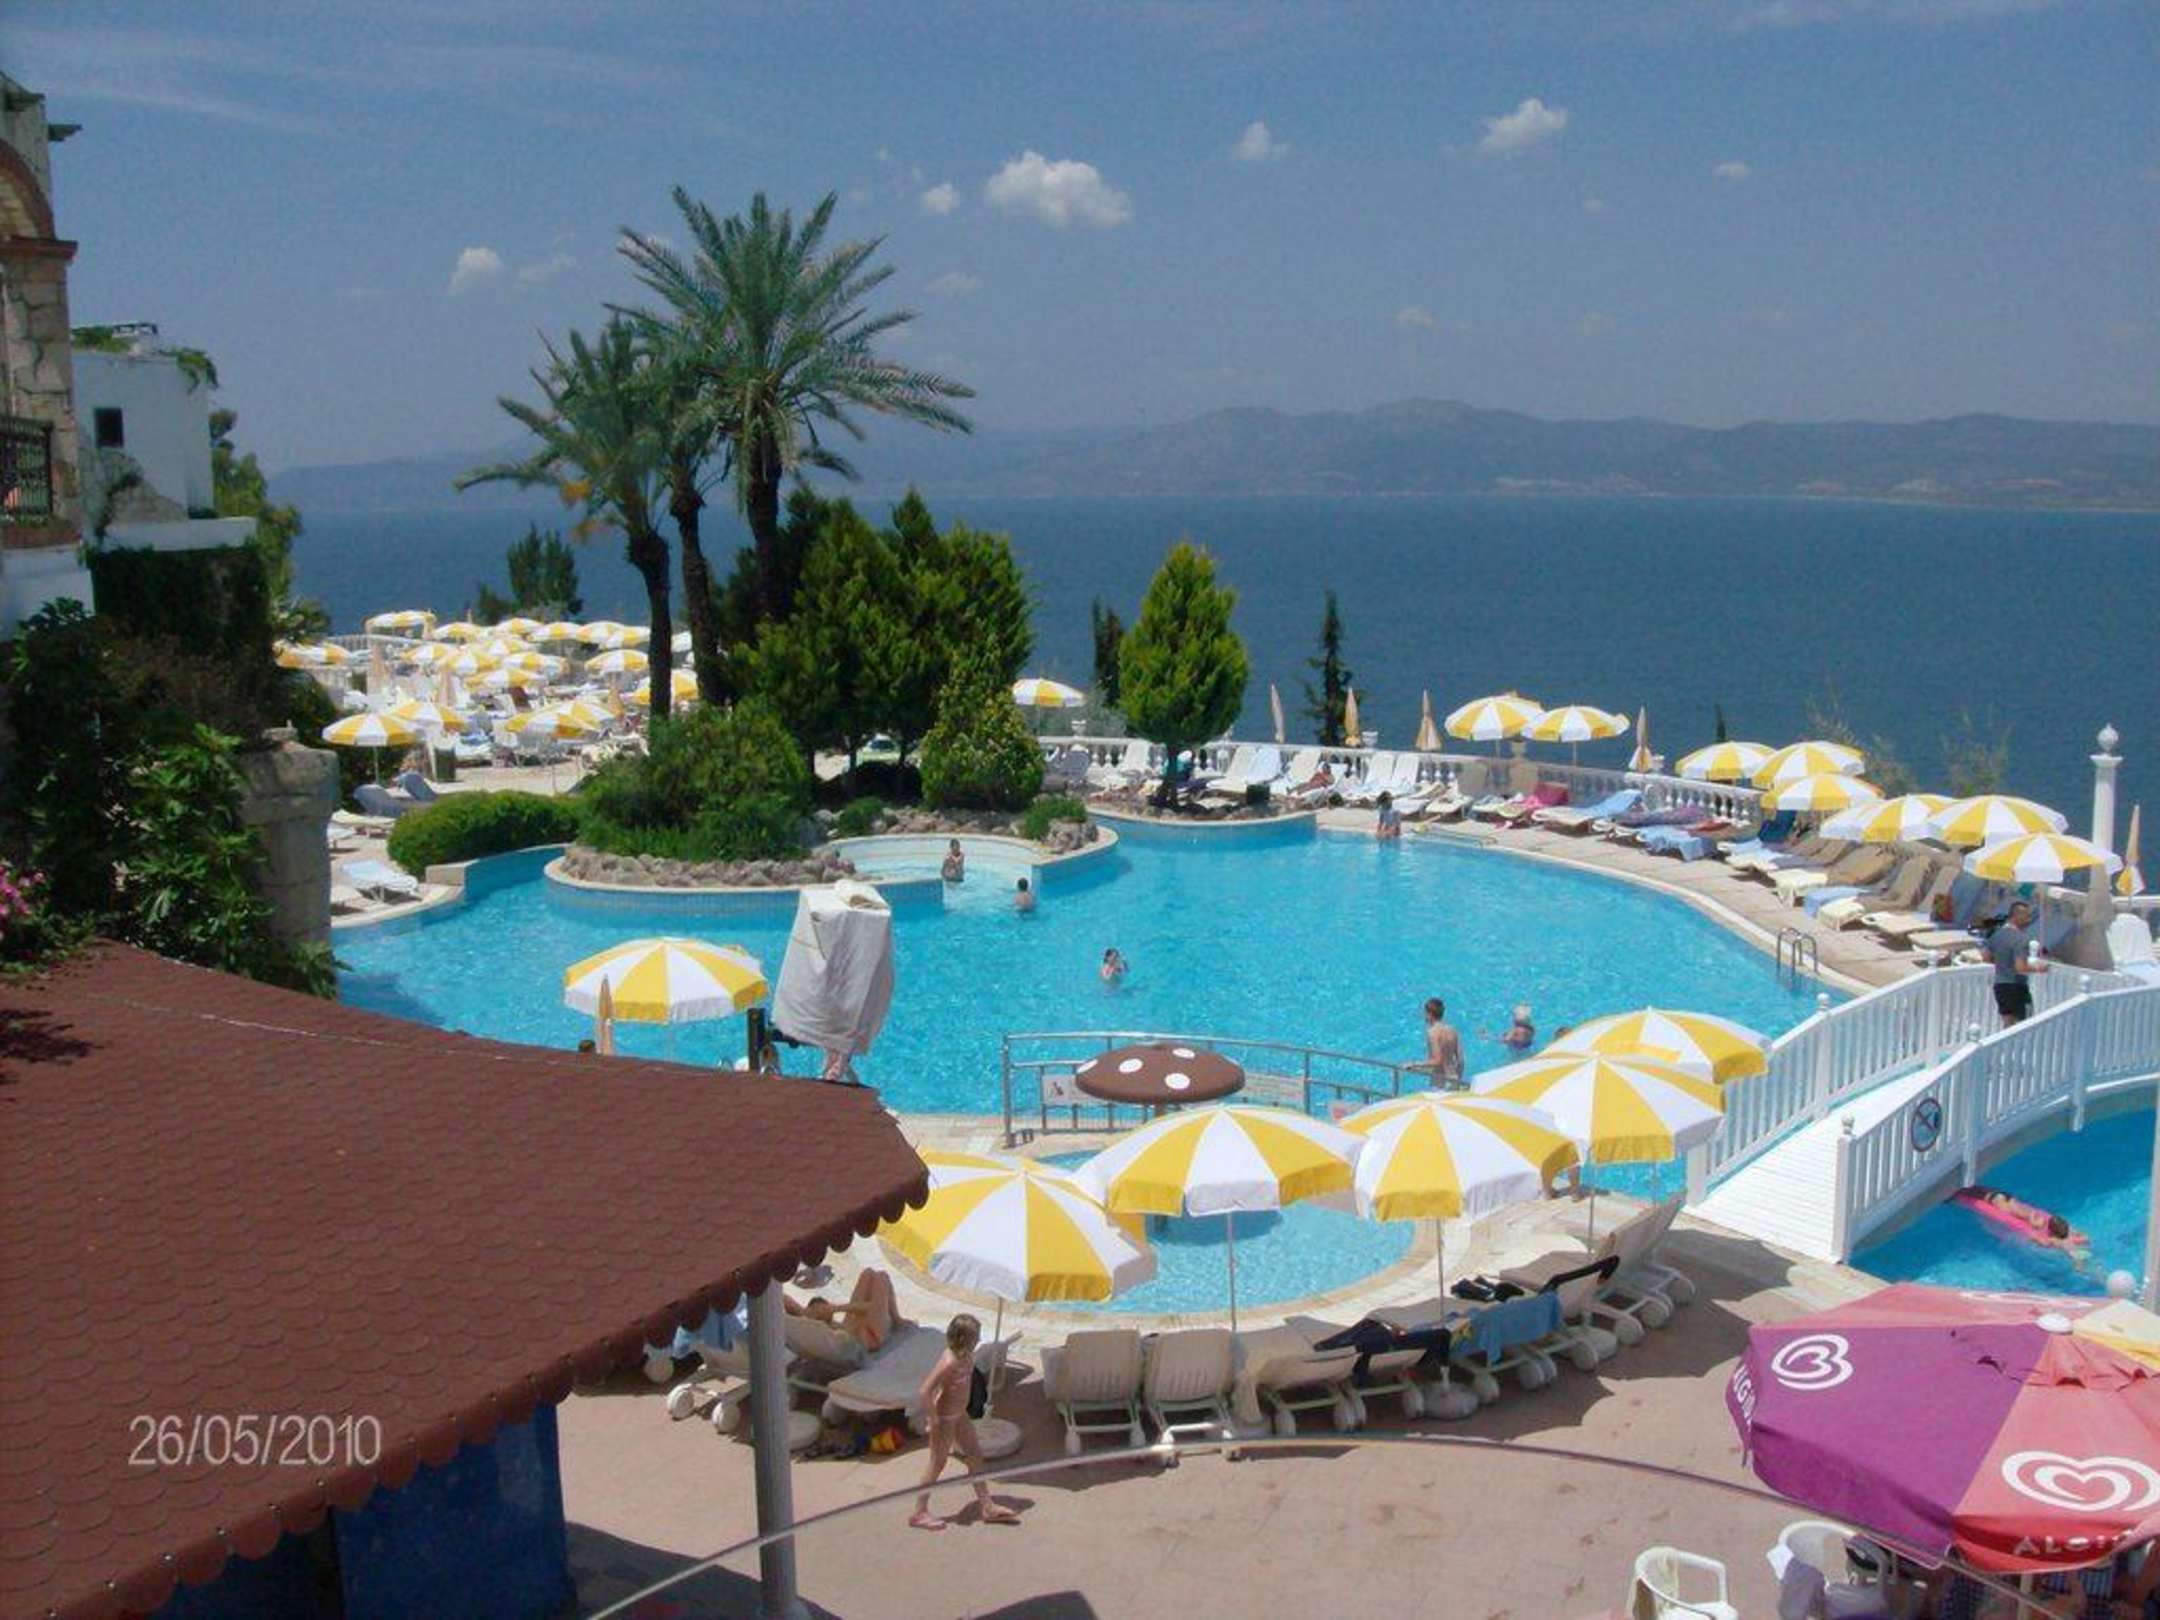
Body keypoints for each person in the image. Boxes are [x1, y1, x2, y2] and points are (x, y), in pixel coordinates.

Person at [910, 1314, 1019, 1531]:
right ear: (964, 1339)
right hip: (945, 1419)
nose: (978, 1340)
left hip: (960, 1415)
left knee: (975, 1455)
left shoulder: (967, 1356)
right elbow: (924, 1391)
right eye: (975, 1337)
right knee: (937, 1463)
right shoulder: (949, 1361)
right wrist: (933, 1419)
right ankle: (919, 1512)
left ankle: (987, 1506)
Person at [785, 1267, 897, 1353]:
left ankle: (896, 1319)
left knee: (868, 1273)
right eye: (818, 1310)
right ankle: (897, 1319)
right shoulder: (815, 1327)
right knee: (882, 1277)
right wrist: (836, 1308)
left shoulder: (806, 1317)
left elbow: (788, 1302)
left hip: (853, 1328)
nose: (822, 1310)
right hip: (870, 1337)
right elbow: (872, 1308)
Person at [1987, 898, 2046, 1026]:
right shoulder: (2020, 939)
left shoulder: (1996, 934)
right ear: (2017, 915)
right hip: (2016, 987)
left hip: (2000, 986)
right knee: (2026, 1024)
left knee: (2008, 1024)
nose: (2029, 920)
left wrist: (2004, 962)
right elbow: (2020, 968)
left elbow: (1986, 957)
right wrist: (2039, 968)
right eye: (2026, 916)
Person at [1412, 997, 1464, 1088]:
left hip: (1440, 1082)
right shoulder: (1452, 1030)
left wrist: (1414, 1064)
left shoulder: (1432, 1032)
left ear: (1430, 1014)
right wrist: (1458, 1078)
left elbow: (1437, 1061)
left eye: (1425, 1013)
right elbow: (1461, 1060)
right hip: (1454, 1078)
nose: (1424, 1016)